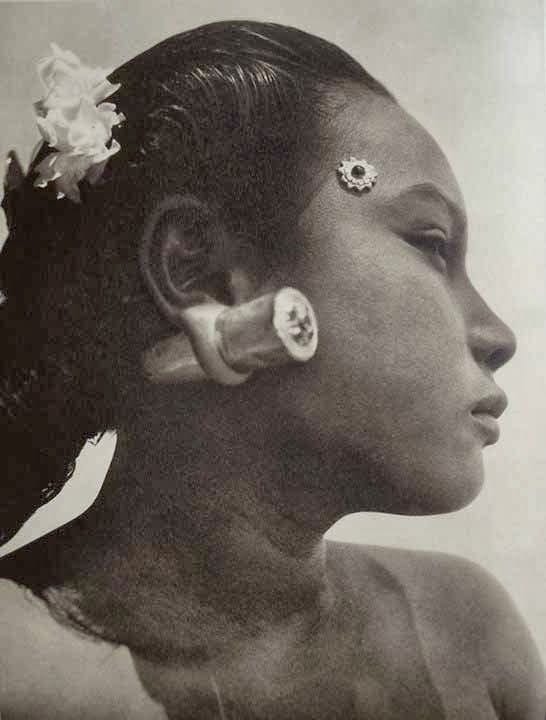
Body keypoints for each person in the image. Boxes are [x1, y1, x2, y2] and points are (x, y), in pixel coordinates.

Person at [0, 20, 544, 720]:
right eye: (431, 243)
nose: (497, 335)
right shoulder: (15, 674)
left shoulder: (470, 635)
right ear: (199, 272)